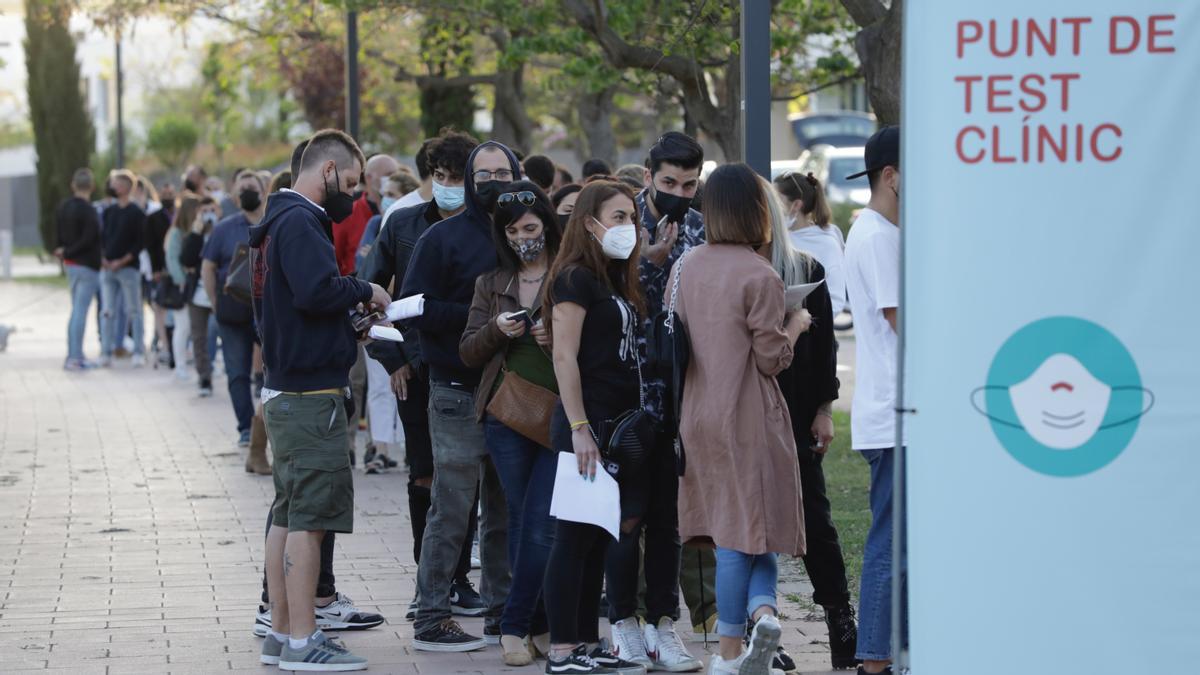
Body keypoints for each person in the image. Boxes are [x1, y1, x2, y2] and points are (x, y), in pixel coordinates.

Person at [249, 128, 392, 671]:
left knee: (287, 515)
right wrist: (365, 291)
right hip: (311, 396)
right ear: (327, 171)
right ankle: (306, 642)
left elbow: (296, 306)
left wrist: (342, 326)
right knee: (309, 520)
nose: (354, 196)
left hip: (290, 388)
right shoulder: (301, 221)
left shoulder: (275, 223)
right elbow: (315, 291)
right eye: (351, 183)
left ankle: (283, 634)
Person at [671, 163, 809, 675]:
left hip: (699, 412)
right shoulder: (760, 273)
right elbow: (772, 358)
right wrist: (795, 323)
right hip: (749, 413)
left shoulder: (687, 266)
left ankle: (760, 620)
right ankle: (735, 648)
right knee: (749, 532)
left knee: (742, 530)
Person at [399, 139, 521, 652]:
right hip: (454, 390)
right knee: (452, 507)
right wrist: (480, 320)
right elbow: (410, 306)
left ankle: (500, 612)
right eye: (483, 174)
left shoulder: (526, 234)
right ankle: (431, 615)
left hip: (515, 392)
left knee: (504, 507)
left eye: (502, 173)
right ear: (470, 180)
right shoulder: (442, 238)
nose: (493, 182)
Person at [358, 129, 481, 620]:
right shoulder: (402, 223)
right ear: (430, 176)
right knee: (426, 473)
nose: (448, 185)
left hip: (472, 363)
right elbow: (370, 297)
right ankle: (431, 576)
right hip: (416, 364)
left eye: (457, 176)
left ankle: (460, 578)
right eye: (441, 176)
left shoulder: (486, 227)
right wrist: (394, 362)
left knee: (467, 473)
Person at [541, 180, 649, 675]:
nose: (629, 226)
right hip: (587, 424)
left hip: (618, 423)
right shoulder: (574, 279)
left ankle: (585, 640)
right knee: (573, 537)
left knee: (599, 537)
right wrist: (580, 426)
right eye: (619, 216)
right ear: (590, 222)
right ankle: (562, 648)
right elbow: (564, 357)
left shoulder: (613, 279)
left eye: (632, 216)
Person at [610, 131, 709, 670]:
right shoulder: (621, 224)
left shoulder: (699, 225)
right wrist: (649, 262)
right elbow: (607, 299)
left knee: (670, 522)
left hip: (679, 394)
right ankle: (622, 622)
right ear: (648, 176)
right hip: (626, 397)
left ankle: (663, 625)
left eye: (689, 184)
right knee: (628, 517)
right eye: (668, 182)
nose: (678, 192)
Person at [459, 181, 562, 667]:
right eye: (514, 231)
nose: (524, 237)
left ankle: (514, 625)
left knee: (538, 522)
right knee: (524, 519)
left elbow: (598, 347)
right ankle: (537, 622)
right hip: (507, 412)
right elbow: (467, 351)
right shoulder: (491, 283)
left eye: (531, 227)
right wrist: (496, 332)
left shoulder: (569, 276)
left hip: (562, 412)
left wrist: (552, 339)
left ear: (546, 224)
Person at [763, 177, 858, 671]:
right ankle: (761, 625)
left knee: (814, 522)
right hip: (746, 414)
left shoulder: (808, 267)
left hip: (798, 412)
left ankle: (840, 619)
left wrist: (824, 408)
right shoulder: (726, 270)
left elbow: (825, 350)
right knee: (752, 528)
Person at [842, 126, 901, 675]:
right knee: (890, 545)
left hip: (895, 415)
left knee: (899, 543)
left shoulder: (882, 230)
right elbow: (899, 316)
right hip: (893, 417)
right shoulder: (878, 235)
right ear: (891, 176)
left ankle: (886, 654)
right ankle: (876, 660)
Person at [202, 169, 268, 461]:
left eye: (252, 188)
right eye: (242, 190)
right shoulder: (224, 228)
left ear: (264, 190)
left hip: (267, 309)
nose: (247, 194)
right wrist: (214, 301)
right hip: (232, 309)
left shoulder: (273, 224)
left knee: (274, 369)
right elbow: (207, 265)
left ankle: (268, 426)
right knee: (236, 371)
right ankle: (245, 427)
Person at [774, 171, 847, 316]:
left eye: (776, 200)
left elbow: (836, 300)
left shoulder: (826, 243)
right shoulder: (776, 237)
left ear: (796, 205)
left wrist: (801, 319)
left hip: (811, 333)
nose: (770, 206)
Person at [55, 168, 103, 371]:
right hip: (86, 264)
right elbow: (91, 237)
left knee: (76, 309)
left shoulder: (63, 207)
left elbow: (57, 232)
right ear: (91, 187)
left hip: (71, 265)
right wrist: (70, 252)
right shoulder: (89, 210)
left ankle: (74, 354)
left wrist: (63, 251)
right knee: (80, 311)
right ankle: (75, 356)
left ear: (73, 185)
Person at [99, 170, 147, 367]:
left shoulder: (136, 213)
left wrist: (123, 260)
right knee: (107, 311)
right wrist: (103, 259)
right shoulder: (108, 211)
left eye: (117, 183)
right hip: (108, 269)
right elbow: (102, 237)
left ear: (127, 187)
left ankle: (138, 351)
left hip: (128, 269)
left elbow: (140, 242)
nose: (113, 187)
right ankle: (106, 351)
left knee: (133, 310)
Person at [333, 153, 400, 276]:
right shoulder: (348, 213)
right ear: (368, 177)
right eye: (389, 175)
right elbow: (334, 257)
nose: (394, 179)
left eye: (397, 175)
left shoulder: (403, 211)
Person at [145, 182, 176, 367]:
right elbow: (150, 247)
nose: (167, 197)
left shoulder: (180, 216)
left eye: (170, 193)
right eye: (164, 193)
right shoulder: (153, 218)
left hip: (176, 269)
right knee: (160, 308)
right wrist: (155, 269)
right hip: (161, 270)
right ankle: (165, 345)